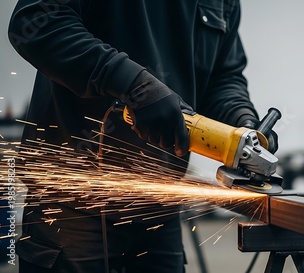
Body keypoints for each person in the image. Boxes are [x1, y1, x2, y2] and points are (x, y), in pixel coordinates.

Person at [8, 1, 277, 272]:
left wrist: (242, 122)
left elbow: (223, 77)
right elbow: (36, 23)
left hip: (159, 210)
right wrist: (134, 85)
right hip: (72, 207)